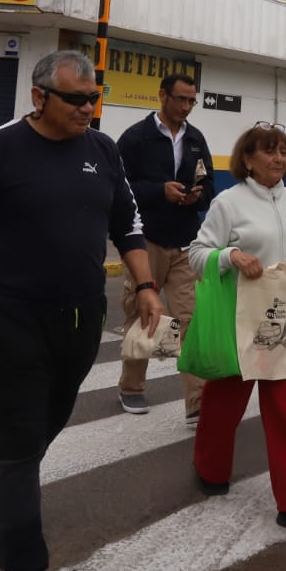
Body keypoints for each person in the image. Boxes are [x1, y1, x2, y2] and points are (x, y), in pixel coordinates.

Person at [0, 50, 162, 571]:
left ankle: (4, 491)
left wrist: (145, 283)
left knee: (48, 421)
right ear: (39, 97)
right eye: (76, 98)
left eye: (93, 97)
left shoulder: (102, 150)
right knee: (23, 442)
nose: (87, 108)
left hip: (80, 317)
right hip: (11, 315)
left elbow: (127, 222)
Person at [188, 124, 286, 540]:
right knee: (223, 403)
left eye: (284, 150)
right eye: (270, 151)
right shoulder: (227, 202)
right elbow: (197, 254)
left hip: (284, 319)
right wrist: (231, 255)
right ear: (247, 158)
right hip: (240, 320)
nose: (280, 159)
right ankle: (209, 467)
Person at [115, 71, 216, 419]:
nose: (187, 107)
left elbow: (210, 185)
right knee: (145, 313)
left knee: (190, 319)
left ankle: (197, 404)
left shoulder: (196, 139)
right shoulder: (136, 138)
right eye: (181, 99)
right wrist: (160, 190)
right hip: (147, 241)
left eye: (192, 100)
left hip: (187, 243)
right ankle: (131, 388)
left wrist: (197, 197)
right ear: (162, 95)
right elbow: (119, 189)